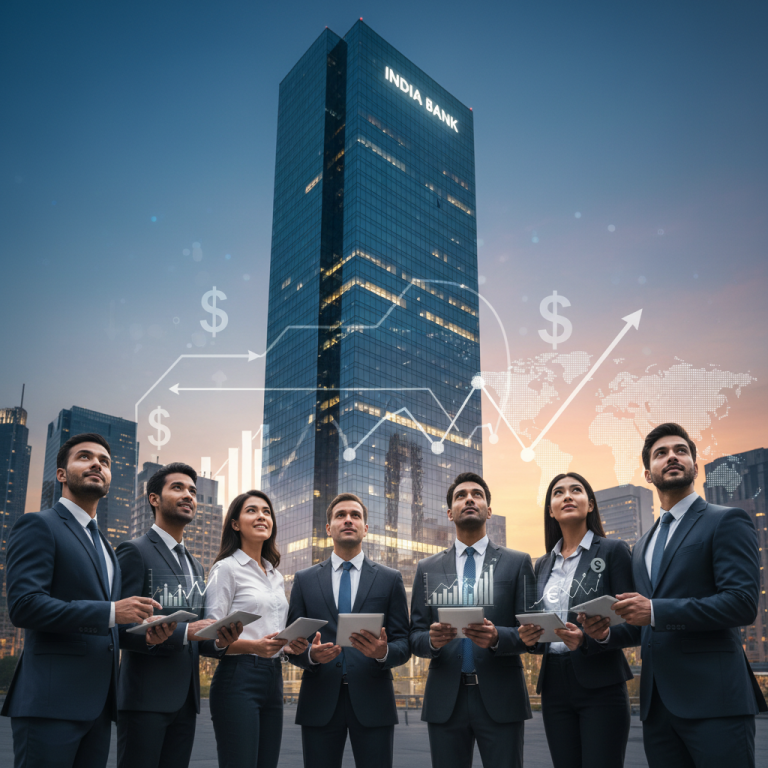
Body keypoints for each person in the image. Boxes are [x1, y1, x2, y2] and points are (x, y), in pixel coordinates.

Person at [581, 422, 767, 768]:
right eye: (661, 453)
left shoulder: (726, 521)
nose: (672, 457)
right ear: (648, 474)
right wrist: (605, 632)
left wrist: (654, 610)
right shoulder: (642, 547)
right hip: (658, 709)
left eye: (681, 451)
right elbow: (642, 626)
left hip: (716, 702)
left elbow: (741, 604)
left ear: (694, 466)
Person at [2, 433, 164, 768]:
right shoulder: (39, 525)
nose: (97, 465)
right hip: (50, 703)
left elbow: (109, 627)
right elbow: (24, 605)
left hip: (99, 708)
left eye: (105, 462)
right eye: (85, 457)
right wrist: (110, 611)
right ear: (62, 474)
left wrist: (143, 633)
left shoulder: (106, 547)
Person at [115, 462, 243, 768]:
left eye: (193, 491)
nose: (188, 495)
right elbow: (120, 626)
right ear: (154, 499)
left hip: (186, 703)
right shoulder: (134, 551)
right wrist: (184, 633)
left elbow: (198, 635)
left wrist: (221, 639)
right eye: (178, 488)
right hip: (144, 700)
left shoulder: (197, 566)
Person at [410, 471, 535, 768]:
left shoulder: (518, 563)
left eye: (477, 495)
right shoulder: (426, 568)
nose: (469, 499)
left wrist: (497, 638)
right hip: (445, 701)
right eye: (460, 496)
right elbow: (414, 635)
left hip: (502, 697)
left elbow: (532, 632)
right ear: (450, 512)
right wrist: (431, 641)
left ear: (489, 510)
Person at [286, 492, 411, 768]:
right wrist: (310, 655)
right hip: (319, 700)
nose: (348, 520)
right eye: (340, 515)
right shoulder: (304, 580)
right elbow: (291, 645)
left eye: (355, 516)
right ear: (328, 528)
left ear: (366, 528)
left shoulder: (390, 580)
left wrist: (383, 652)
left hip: (373, 700)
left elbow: (404, 643)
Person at [519, 472, 633, 768]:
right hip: (554, 683)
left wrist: (593, 637)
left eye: (576, 490)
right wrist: (531, 637)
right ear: (550, 509)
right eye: (558, 492)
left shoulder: (613, 551)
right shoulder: (542, 564)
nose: (567, 496)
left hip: (601, 682)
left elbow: (635, 624)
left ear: (590, 505)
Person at [205, 490, 307, 768]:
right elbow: (210, 635)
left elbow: (273, 632)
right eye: (252, 510)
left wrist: (291, 644)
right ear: (235, 524)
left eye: (266, 511)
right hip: (238, 678)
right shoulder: (226, 569)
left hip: (274, 680)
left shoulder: (274, 575)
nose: (262, 516)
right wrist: (254, 646)